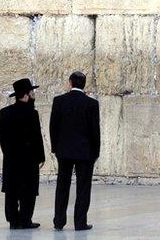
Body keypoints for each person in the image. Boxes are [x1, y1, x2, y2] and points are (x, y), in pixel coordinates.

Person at [50, 71, 100, 231]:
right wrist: (96, 152)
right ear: (84, 84)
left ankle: (59, 221)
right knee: (83, 187)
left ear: (70, 82)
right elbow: (95, 131)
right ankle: (80, 223)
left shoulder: (59, 101)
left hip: (64, 151)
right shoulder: (91, 104)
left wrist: (55, 148)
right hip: (85, 152)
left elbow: (53, 127)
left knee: (62, 186)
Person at [0, 78, 45, 229]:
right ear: (25, 95)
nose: (33, 95)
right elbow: (37, 138)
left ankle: (13, 220)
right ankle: (25, 220)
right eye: (32, 93)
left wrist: (8, 154)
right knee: (28, 191)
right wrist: (41, 157)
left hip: (11, 159)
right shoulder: (32, 113)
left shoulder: (5, 112)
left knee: (12, 191)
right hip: (29, 160)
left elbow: (2, 137)